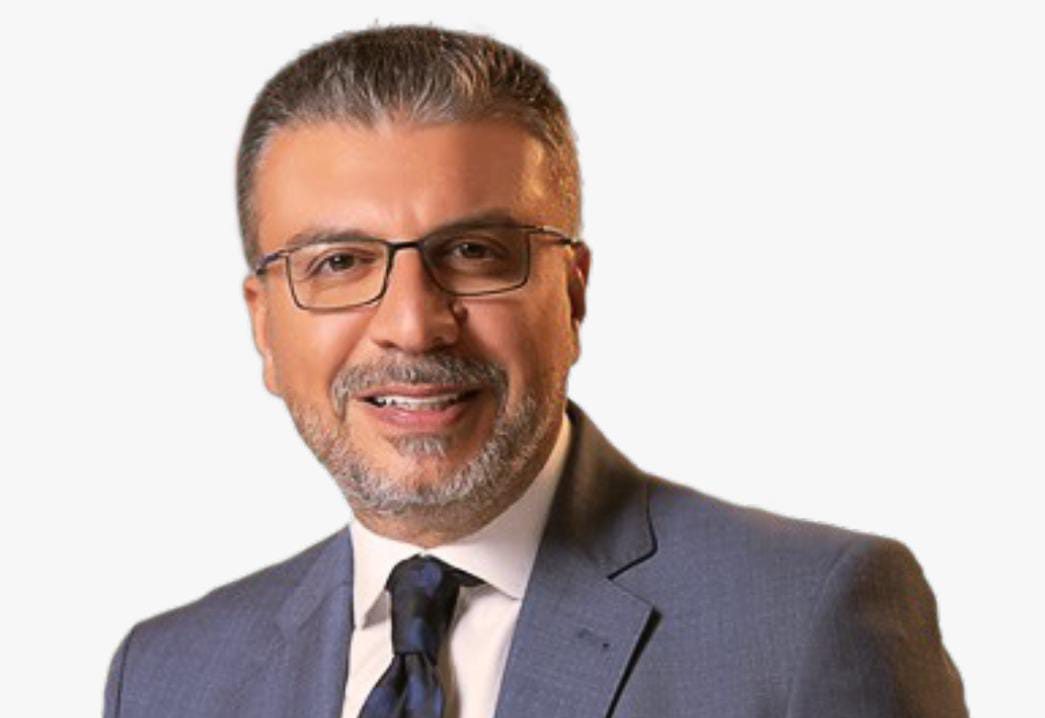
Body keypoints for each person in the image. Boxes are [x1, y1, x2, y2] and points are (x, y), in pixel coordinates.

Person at [104, 24, 968, 718]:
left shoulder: (805, 618)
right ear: (264, 326)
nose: (411, 325)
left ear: (572, 293)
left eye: (474, 252)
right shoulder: (169, 676)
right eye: (339, 263)